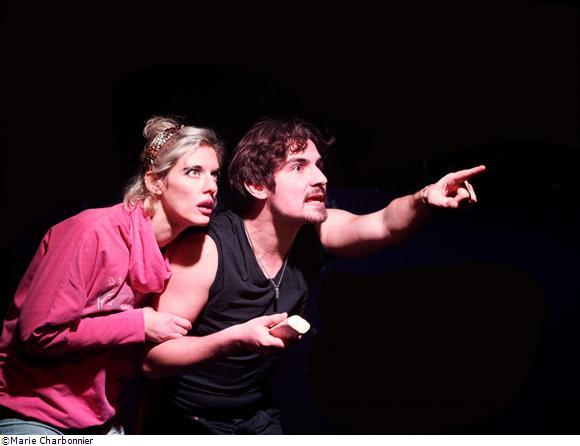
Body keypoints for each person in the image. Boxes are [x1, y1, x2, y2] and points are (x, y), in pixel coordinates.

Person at [142, 118, 486, 434]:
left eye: (319, 165)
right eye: (298, 166)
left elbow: (384, 223)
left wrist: (424, 198)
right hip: (186, 420)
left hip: (254, 415)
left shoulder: (316, 233)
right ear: (257, 185)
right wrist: (234, 339)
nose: (320, 178)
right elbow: (153, 360)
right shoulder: (207, 249)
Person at [0, 117, 288, 435]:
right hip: (34, 416)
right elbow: (37, 334)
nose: (211, 186)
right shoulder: (92, 232)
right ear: (154, 182)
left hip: (104, 420)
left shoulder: (172, 253)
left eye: (214, 174)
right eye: (194, 171)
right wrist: (140, 323)